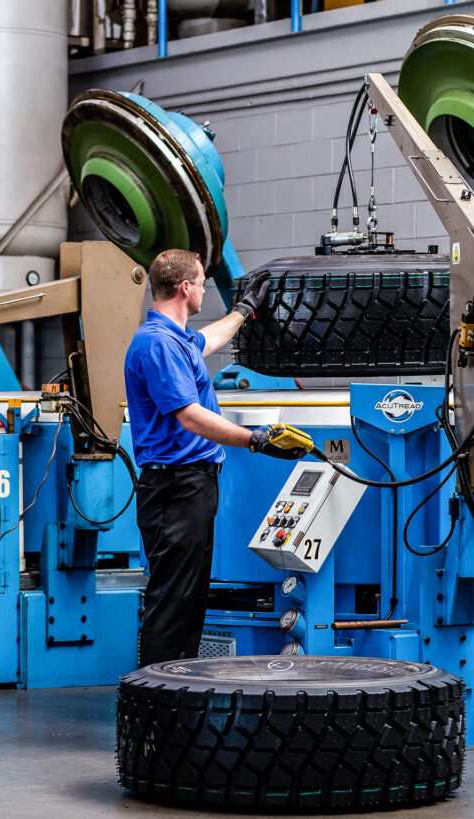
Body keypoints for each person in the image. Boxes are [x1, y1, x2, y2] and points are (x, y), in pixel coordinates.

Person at [124, 248, 306, 666]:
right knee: (173, 600)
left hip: (191, 484)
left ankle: (178, 688)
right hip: (175, 485)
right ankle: (158, 699)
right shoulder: (158, 345)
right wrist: (254, 440)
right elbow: (190, 417)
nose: (205, 289)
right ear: (185, 287)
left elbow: (213, 337)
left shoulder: (178, 340)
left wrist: (244, 309)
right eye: (203, 283)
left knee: (188, 596)